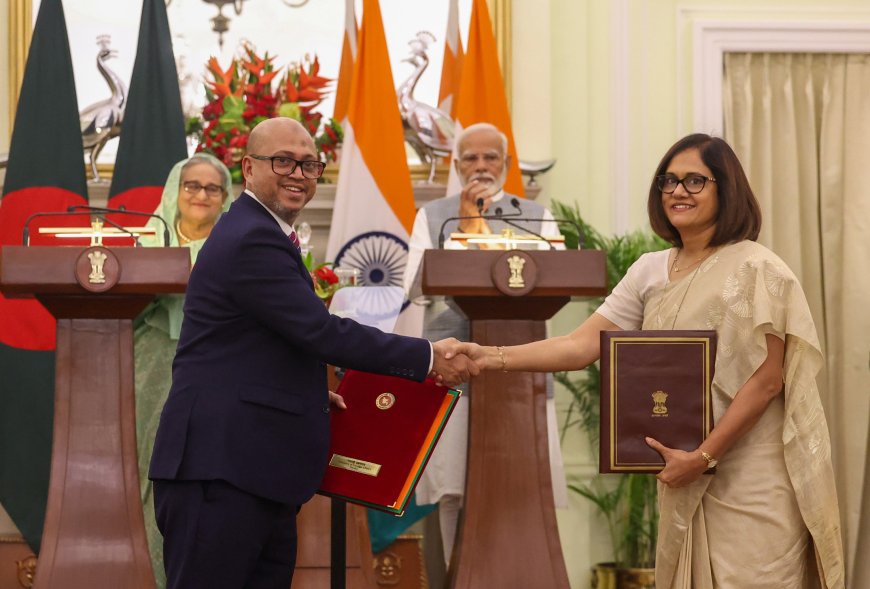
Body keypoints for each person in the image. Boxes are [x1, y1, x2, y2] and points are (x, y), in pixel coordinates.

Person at [451, 134, 845, 588]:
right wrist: (489, 356)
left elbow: (767, 381)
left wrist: (703, 456)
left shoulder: (758, 268)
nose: (678, 191)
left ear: (727, 188)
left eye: (695, 180)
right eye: (669, 181)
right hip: (683, 469)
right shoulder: (650, 270)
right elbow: (580, 346)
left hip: (752, 476)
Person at [148, 117, 476, 589]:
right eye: (283, 160)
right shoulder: (252, 237)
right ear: (248, 168)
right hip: (220, 471)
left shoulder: (263, 231)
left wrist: (310, 393)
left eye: (309, 164)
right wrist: (428, 358)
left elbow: (270, 343)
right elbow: (319, 332)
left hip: (253, 472)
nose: (298, 174)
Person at [402, 121, 566, 566]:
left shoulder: (537, 215)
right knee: (453, 491)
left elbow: (558, 276)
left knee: (523, 489)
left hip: (520, 375)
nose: (480, 166)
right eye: (470, 158)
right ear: (456, 166)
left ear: (507, 165)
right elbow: (416, 288)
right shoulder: (433, 215)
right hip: (454, 371)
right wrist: (468, 226)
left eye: (489, 157)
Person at [133, 153, 233, 588]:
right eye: (192, 185)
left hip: (223, 369)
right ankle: (148, 575)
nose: (201, 195)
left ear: (226, 198)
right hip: (153, 362)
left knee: (210, 477)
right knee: (149, 469)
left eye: (213, 188)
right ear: (175, 190)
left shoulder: (237, 243)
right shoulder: (144, 240)